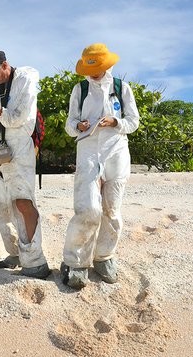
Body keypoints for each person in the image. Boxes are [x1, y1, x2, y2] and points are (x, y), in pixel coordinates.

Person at [60, 43, 140, 289]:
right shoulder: (80, 89)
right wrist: (79, 126)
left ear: (108, 65)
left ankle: (104, 257)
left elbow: (133, 122)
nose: (95, 72)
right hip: (88, 151)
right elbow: (69, 125)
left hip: (116, 151)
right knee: (88, 209)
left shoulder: (121, 88)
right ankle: (75, 262)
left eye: (99, 67)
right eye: (91, 68)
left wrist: (115, 121)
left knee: (112, 210)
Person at [0, 48, 50, 279]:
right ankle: (15, 254)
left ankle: (35, 263)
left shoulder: (26, 79)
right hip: (0, 151)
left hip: (21, 151)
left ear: (5, 65)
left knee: (22, 202)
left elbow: (18, 117)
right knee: (1, 204)